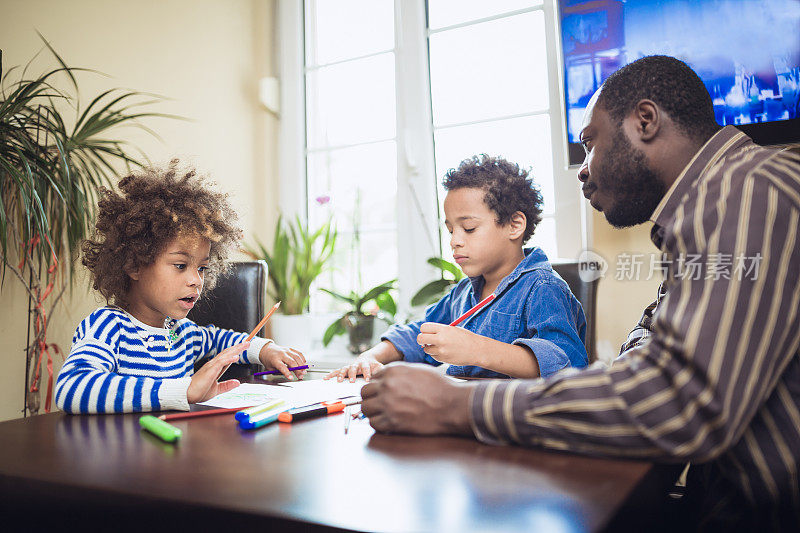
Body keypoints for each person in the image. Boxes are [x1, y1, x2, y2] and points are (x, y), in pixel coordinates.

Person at [358, 56, 800, 530]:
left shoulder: (744, 193)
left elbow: (676, 399)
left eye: (590, 145)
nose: (582, 170)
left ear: (645, 122)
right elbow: (652, 353)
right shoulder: (720, 204)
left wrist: (454, 405)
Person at [55, 161, 307, 414]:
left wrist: (265, 349)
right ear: (134, 265)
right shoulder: (109, 326)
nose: (196, 280)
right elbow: (72, 387)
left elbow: (226, 341)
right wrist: (183, 390)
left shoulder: (183, 333)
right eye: (180, 265)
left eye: (202, 268)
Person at [326, 155, 588, 382]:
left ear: (514, 225)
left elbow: (567, 366)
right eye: (451, 230)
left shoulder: (543, 288)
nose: (455, 241)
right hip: (461, 417)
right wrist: (370, 356)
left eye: (469, 228)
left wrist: (477, 349)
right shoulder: (462, 292)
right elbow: (418, 333)